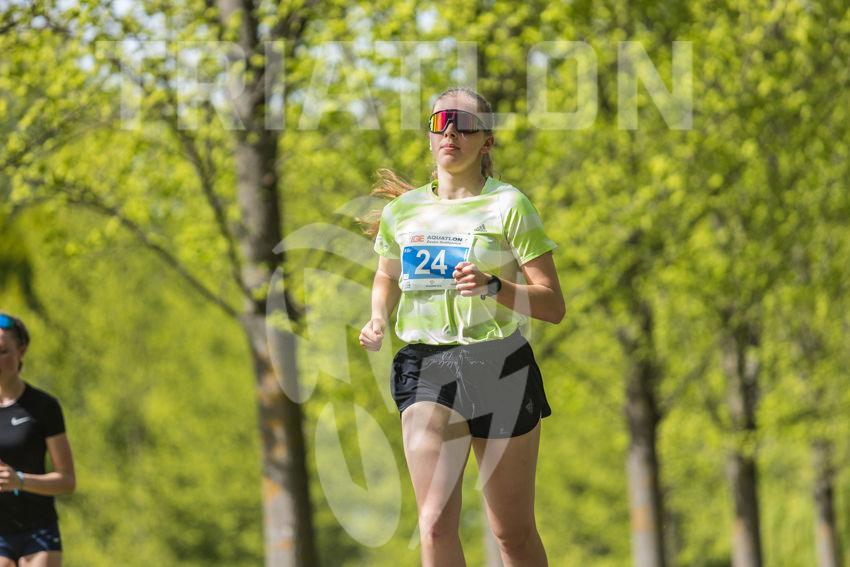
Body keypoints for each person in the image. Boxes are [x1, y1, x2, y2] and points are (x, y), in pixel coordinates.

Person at [359, 87, 565, 567]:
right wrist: (377, 317)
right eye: (440, 123)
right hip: (426, 366)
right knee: (433, 523)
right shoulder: (402, 211)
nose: (450, 131)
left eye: (464, 124)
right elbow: (386, 275)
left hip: (499, 366)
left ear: (486, 140)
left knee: (512, 534)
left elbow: (553, 305)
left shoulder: (509, 205)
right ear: (430, 136)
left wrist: (495, 286)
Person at [0, 314, 76, 567]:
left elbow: (67, 480)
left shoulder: (43, 407)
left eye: (3, 352)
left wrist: (19, 480)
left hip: (39, 531)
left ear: (21, 351)